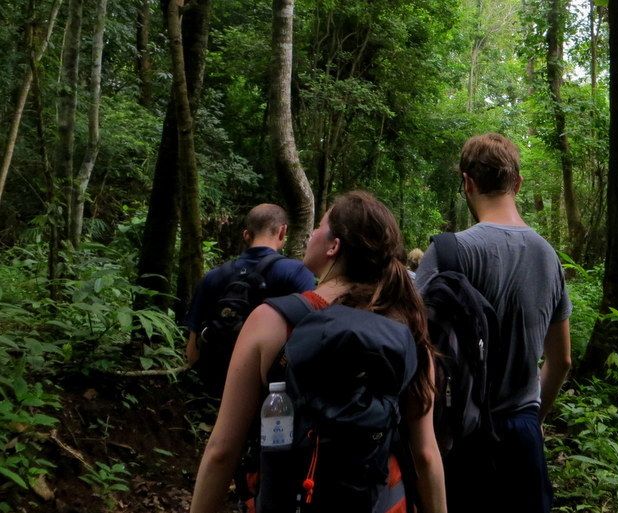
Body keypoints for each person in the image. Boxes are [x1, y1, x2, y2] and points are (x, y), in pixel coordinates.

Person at [189, 191, 446, 513]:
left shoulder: (271, 322)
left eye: (320, 226)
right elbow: (425, 454)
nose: (311, 233)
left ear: (333, 246)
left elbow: (222, 450)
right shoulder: (406, 329)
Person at [415, 133, 572, 513]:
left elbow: (414, 349)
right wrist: (533, 418)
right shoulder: (548, 256)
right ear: (517, 183)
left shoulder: (448, 253)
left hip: (459, 436)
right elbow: (562, 360)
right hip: (522, 434)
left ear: (466, 182)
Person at [184, 203, 315, 370]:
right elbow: (310, 333)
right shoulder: (297, 272)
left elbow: (192, 352)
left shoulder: (212, 277)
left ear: (246, 235)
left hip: (217, 380)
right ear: (283, 231)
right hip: (271, 382)